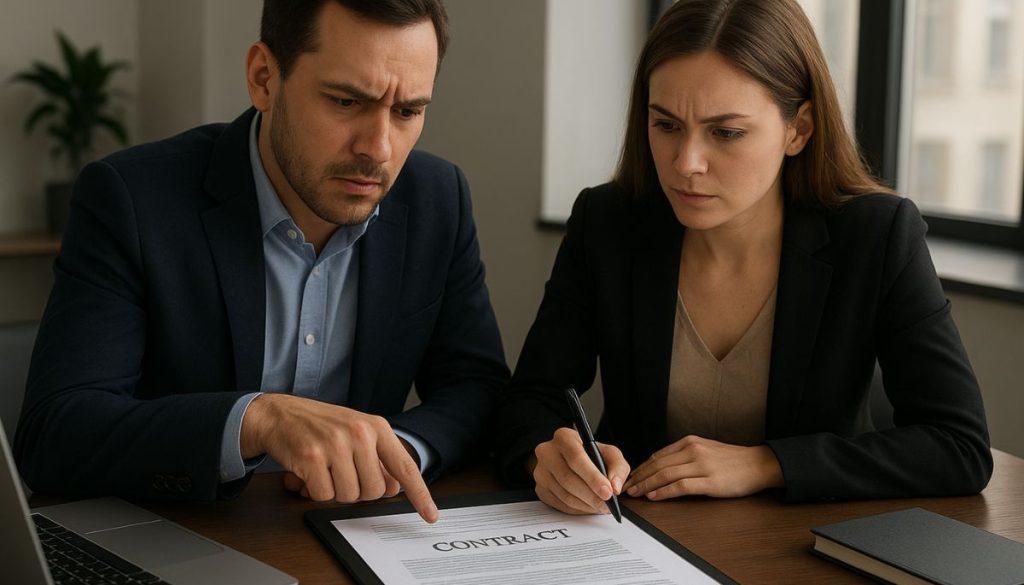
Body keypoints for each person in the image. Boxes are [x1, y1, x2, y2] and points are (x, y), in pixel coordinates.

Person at [15, 0, 509, 523]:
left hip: (355, 536)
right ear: (264, 78)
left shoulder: (438, 199)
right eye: (345, 101)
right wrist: (256, 419)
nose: (379, 149)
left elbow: (477, 389)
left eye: (407, 111)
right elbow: (56, 432)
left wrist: (399, 451)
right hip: (183, 536)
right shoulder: (133, 199)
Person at [494, 0, 992, 516]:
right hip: (635, 537)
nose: (687, 164)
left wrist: (766, 464)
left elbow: (959, 446)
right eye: (666, 125)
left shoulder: (877, 235)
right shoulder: (607, 222)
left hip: (799, 546)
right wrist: (544, 458)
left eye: (726, 132)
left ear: (798, 129)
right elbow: (528, 402)